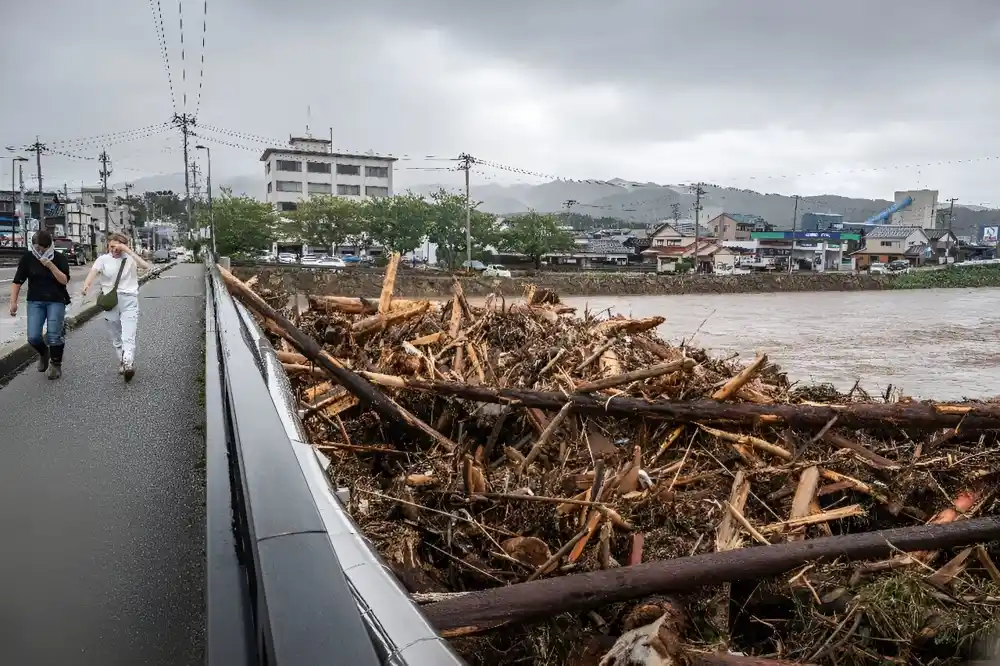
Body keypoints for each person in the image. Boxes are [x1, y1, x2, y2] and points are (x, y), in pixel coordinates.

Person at [80, 233, 151, 382]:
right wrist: (86, 285)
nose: (115, 250)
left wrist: (128, 251)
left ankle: (128, 363)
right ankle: (122, 360)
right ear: (108, 246)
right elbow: (93, 273)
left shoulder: (130, 258)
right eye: (112, 246)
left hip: (129, 299)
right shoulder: (103, 259)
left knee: (128, 335)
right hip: (110, 301)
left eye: (118, 247)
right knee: (116, 335)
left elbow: (146, 266)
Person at [9, 230, 72, 379]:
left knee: (54, 335)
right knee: (33, 337)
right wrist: (13, 302)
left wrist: (50, 265)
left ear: (48, 246)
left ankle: (56, 364)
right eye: (36, 248)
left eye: (41, 248)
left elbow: (64, 280)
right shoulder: (28, 258)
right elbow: (17, 281)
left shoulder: (59, 258)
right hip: (35, 301)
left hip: (56, 300)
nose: (39, 251)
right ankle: (44, 353)